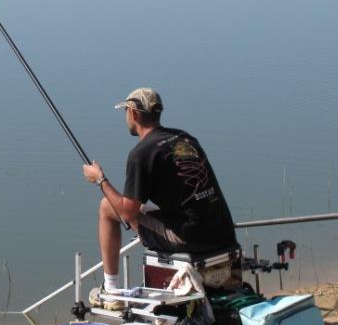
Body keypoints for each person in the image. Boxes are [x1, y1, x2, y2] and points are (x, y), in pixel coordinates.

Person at [81, 88, 238, 309]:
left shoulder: (141, 155)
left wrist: (100, 179)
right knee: (142, 205)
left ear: (134, 114)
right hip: (223, 232)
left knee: (107, 207)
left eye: (126, 111)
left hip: (192, 239)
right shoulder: (185, 139)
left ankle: (111, 291)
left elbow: (127, 213)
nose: (125, 116)